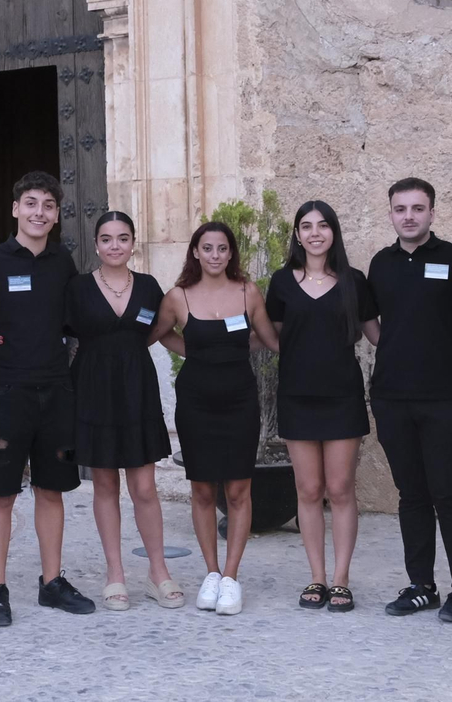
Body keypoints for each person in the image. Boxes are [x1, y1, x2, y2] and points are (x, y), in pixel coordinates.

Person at [0, 171, 96, 626]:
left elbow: (73, 319)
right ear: (15, 208)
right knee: (1, 493)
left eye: (49, 205)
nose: (40, 212)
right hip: (6, 391)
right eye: (31, 203)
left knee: (51, 489)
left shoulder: (63, 262)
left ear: (57, 215)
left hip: (56, 390)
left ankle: (51, 582)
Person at [366, 177, 452, 622]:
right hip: (393, 397)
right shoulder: (381, 263)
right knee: (410, 493)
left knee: (449, 493)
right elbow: (372, 322)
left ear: (433, 212)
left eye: (418, 208)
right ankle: (421, 586)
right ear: (391, 213)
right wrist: (395, 349)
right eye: (401, 209)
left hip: (447, 398)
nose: (409, 216)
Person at [152, 221, 279, 616]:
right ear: (195, 252)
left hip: (240, 401)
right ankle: (210, 573)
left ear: (231, 253)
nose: (215, 255)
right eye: (207, 248)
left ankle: (230, 577)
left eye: (222, 249)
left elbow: (268, 339)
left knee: (239, 491)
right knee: (203, 490)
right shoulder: (178, 297)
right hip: (195, 403)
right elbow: (157, 334)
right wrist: (197, 351)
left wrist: (232, 349)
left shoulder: (248, 292)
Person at [264, 200, 378, 612]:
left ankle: (342, 579)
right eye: (306, 226)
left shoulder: (354, 281)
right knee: (308, 489)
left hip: (342, 396)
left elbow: (376, 335)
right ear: (297, 235)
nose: (315, 233)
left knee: (341, 489)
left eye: (323, 225)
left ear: (334, 232)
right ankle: (316, 577)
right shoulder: (281, 281)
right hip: (297, 396)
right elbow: (273, 334)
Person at [67, 211, 183, 611]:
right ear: (95, 244)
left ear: (133, 242)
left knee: (144, 487)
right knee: (104, 486)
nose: (114, 245)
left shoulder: (150, 287)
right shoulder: (78, 288)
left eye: (122, 238)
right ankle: (115, 574)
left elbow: (162, 330)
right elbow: (57, 331)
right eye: (106, 238)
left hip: (137, 389)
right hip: (94, 389)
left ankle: (158, 572)